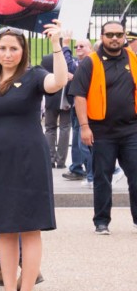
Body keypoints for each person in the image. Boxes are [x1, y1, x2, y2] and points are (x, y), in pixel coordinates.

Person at [0, 23, 67, 291]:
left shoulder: (33, 76)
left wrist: (56, 44)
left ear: (22, 51)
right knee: (4, 230)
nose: (7, 53)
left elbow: (58, 81)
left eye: (13, 48)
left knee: (29, 229)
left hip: (29, 160)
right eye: (2, 48)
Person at [71, 21, 137, 235]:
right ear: (102, 36)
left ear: (125, 36)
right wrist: (84, 127)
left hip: (131, 130)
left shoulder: (133, 59)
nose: (115, 38)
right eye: (110, 34)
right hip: (101, 131)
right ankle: (101, 222)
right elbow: (79, 95)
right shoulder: (90, 62)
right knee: (102, 177)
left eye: (119, 34)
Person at [41, 37, 76, 168]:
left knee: (50, 128)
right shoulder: (70, 59)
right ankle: (61, 160)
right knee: (65, 128)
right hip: (66, 97)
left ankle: (50, 158)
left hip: (51, 97)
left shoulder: (47, 59)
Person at [63, 39, 93, 183]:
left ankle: (94, 174)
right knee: (76, 141)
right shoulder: (79, 63)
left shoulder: (90, 62)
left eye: (82, 46)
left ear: (90, 48)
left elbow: (70, 67)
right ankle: (77, 168)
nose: (78, 48)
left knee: (84, 144)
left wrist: (65, 46)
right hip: (75, 106)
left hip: (86, 108)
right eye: (76, 47)